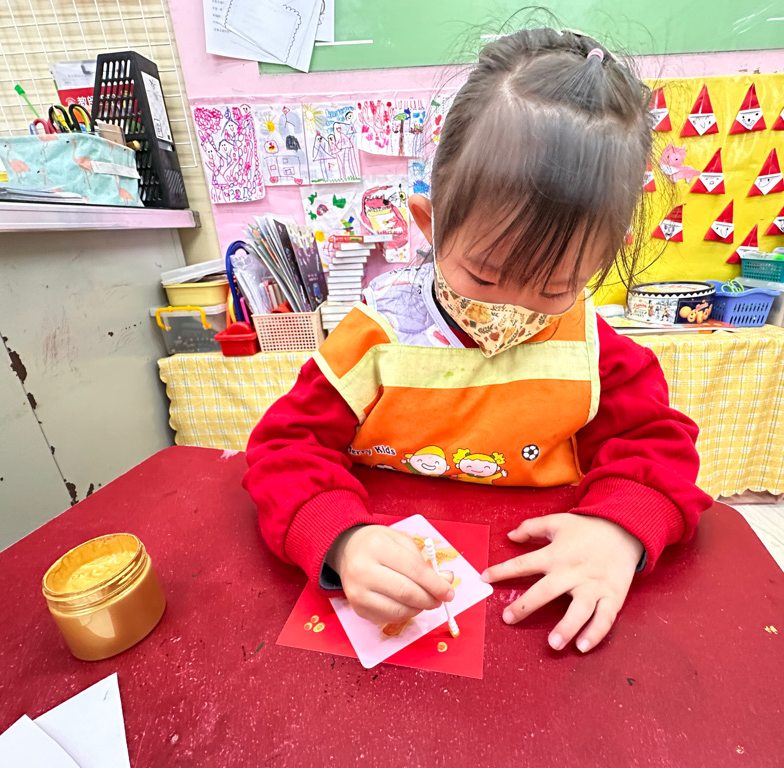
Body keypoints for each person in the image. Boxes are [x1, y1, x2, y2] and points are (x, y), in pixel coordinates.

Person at [245, 28, 712, 654]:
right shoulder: (377, 338)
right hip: (398, 568)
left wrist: (619, 529)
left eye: (555, 287)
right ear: (429, 223)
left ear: (602, 261)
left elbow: (656, 448)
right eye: (484, 275)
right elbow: (285, 447)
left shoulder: (592, 351)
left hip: (530, 592)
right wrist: (340, 539)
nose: (507, 312)